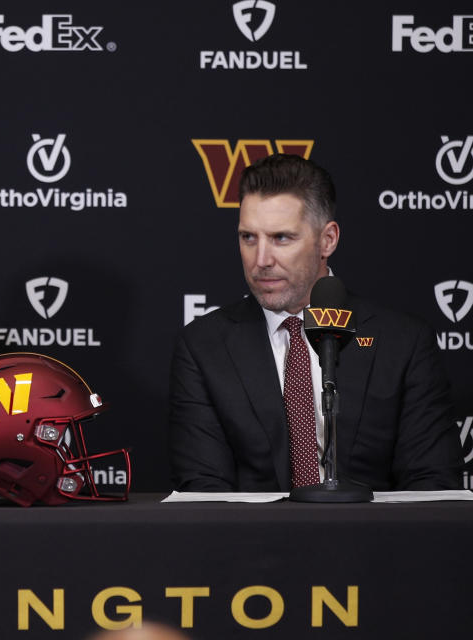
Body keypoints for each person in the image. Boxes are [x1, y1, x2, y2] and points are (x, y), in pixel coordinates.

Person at [169, 154, 462, 491]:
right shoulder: (203, 348)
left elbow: (433, 485)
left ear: (328, 240)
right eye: (248, 237)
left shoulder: (403, 342)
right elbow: (204, 492)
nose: (260, 260)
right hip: (252, 543)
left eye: (281, 238)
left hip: (374, 541)